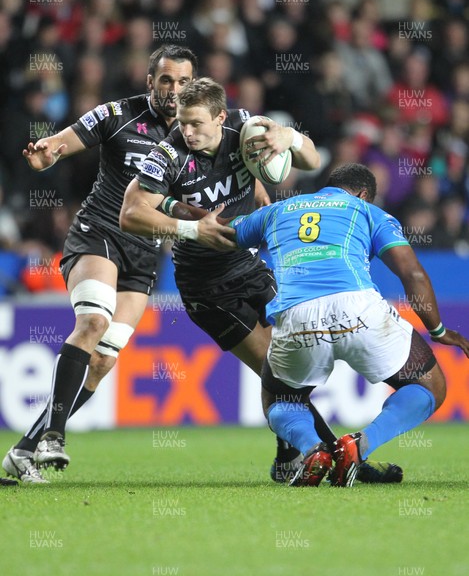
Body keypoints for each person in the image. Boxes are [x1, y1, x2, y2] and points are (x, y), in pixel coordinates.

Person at [120, 80, 403, 486]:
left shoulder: (246, 130)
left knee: (289, 370)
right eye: (182, 123)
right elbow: (130, 212)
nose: (187, 131)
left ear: (220, 117)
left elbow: (308, 160)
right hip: (206, 286)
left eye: (196, 123)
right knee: (278, 370)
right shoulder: (168, 154)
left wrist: (291, 137)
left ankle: (293, 454)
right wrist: (190, 230)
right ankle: (340, 461)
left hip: (250, 266)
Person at [2, 45, 199, 484]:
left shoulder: (195, 135)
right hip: (99, 235)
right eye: (166, 80)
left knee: (104, 359)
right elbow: (63, 141)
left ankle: (23, 450)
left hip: (144, 254)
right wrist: (47, 151)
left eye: (184, 81)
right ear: (150, 81)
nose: (174, 90)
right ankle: (55, 434)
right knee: (92, 322)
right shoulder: (118, 114)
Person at [223, 162, 469, 487]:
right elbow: (413, 274)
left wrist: (172, 209)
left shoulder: (277, 210)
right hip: (358, 310)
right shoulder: (368, 212)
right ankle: (360, 444)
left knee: (279, 400)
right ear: (365, 194)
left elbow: (220, 231)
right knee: (429, 385)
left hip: (296, 315)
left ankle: (313, 448)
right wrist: (438, 330)